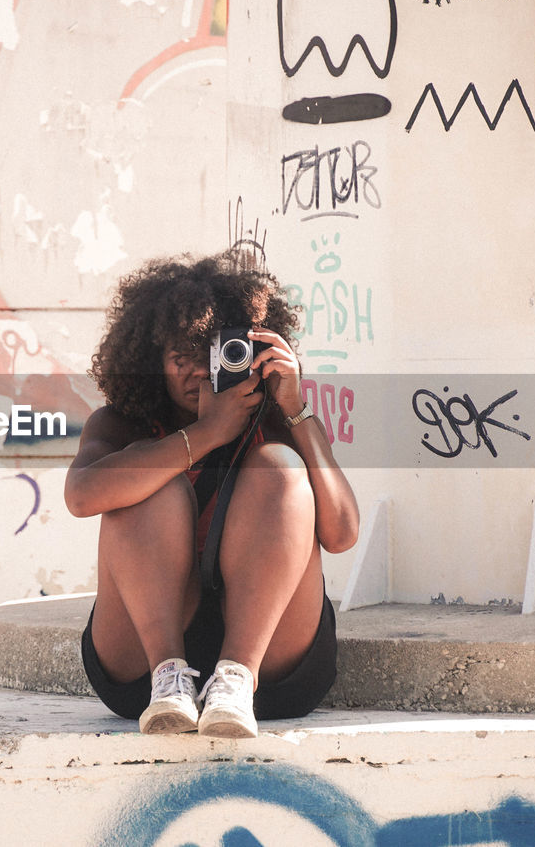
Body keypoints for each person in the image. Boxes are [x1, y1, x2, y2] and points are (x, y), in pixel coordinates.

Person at [64, 251, 359, 738]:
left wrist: (295, 407)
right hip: (144, 664)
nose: (200, 372)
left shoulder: (280, 423)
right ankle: (170, 680)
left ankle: (235, 678)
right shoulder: (118, 424)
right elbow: (81, 496)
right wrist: (205, 435)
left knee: (279, 468)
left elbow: (342, 533)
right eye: (182, 356)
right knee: (144, 478)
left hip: (270, 668)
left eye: (217, 354)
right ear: (150, 359)